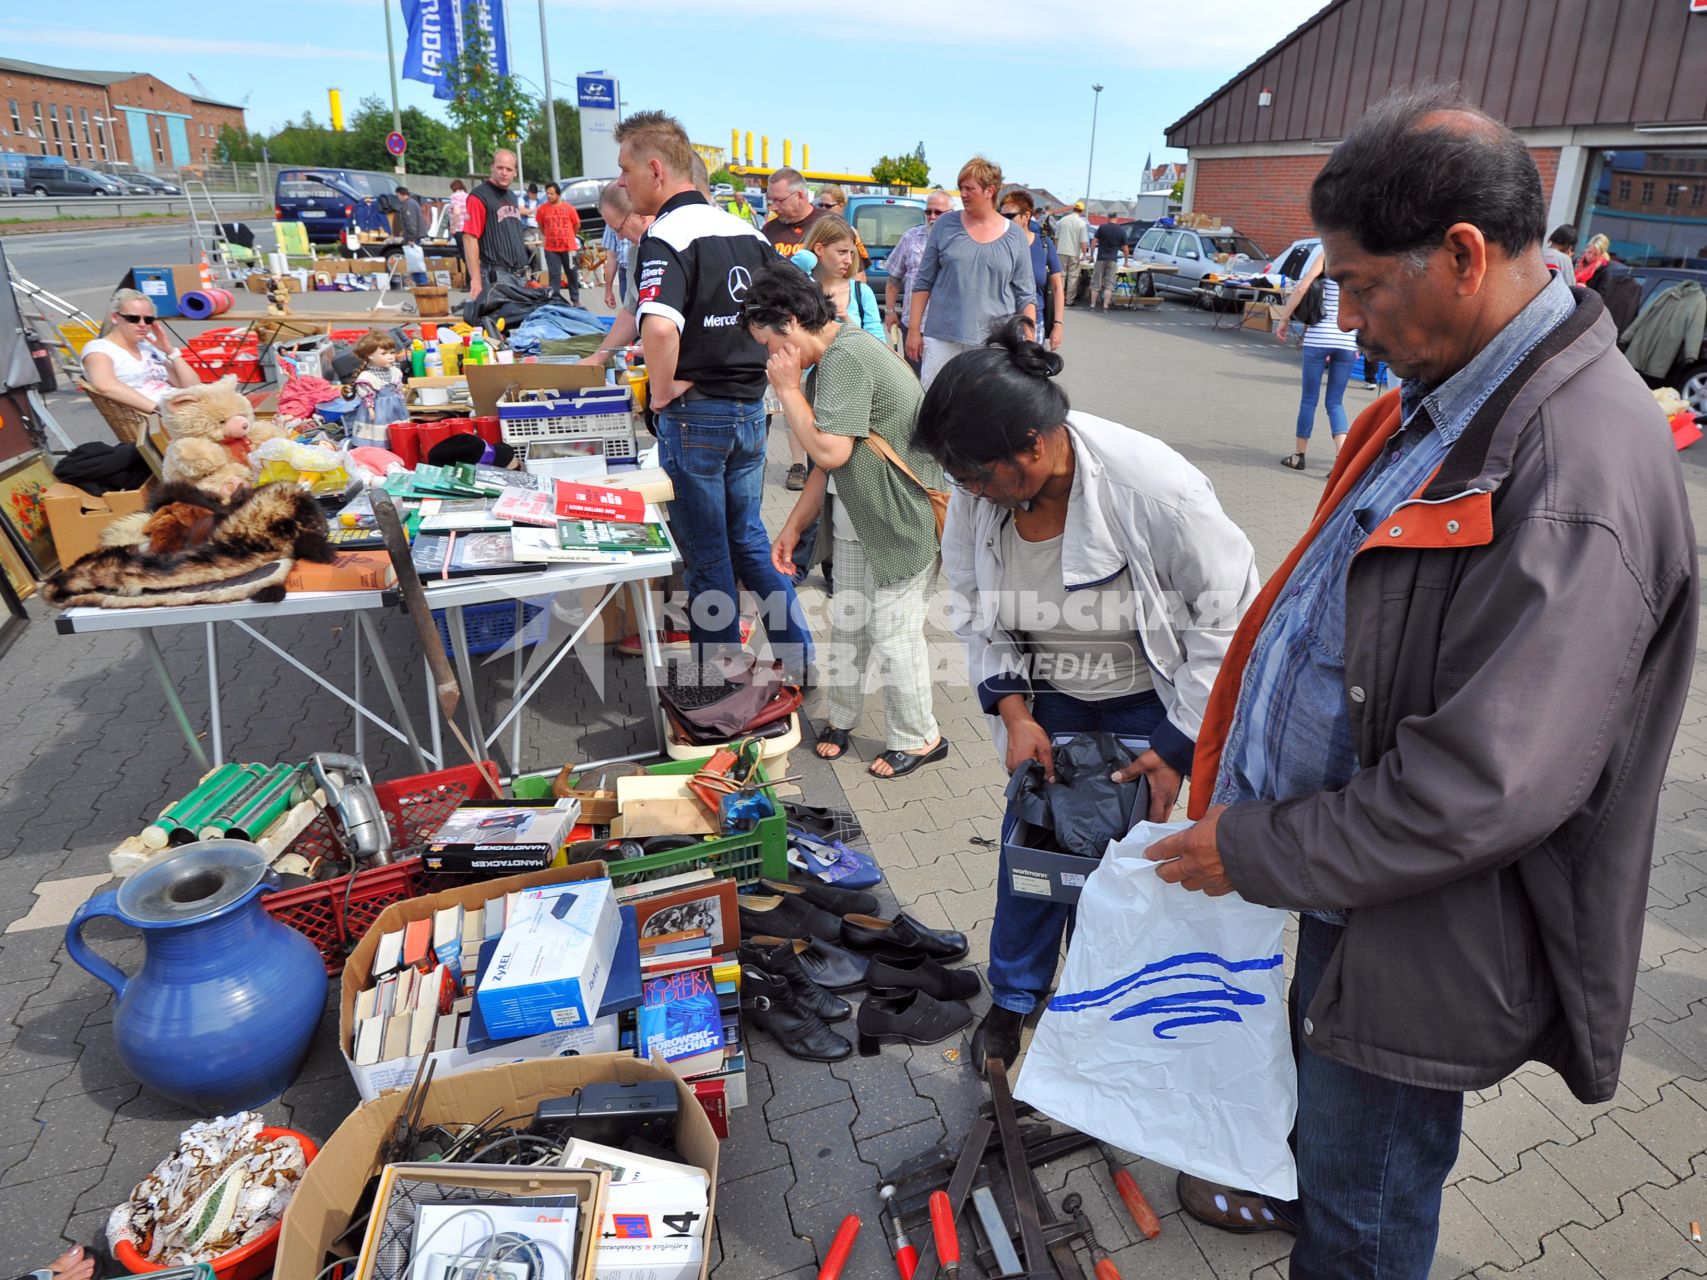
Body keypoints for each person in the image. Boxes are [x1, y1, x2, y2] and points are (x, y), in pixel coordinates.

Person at [1145, 86, 1697, 1278]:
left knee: (1371, 1204)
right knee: (1336, 1155)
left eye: (1356, 284)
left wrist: (1261, 847)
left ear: (1460, 256)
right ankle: (1308, 1199)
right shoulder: (1465, 394)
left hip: (1415, 922)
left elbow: (1486, 784)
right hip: (1347, 877)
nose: (1338, 316)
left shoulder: (1568, 466)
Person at [918, 316, 1259, 1074]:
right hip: (1053, 697)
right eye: (959, 479)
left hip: (1155, 698)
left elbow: (1228, 623)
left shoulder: (1156, 489)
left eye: (976, 477)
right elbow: (971, 603)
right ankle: (1013, 1003)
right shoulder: (981, 491)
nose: (966, 493)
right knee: (1033, 855)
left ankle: (1115, 1011)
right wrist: (1013, 712)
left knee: (1134, 870)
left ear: (1032, 446)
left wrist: (1174, 749)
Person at [618, 109, 811, 676]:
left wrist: (660, 392)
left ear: (656, 169)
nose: (623, 182)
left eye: (626, 169)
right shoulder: (747, 232)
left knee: (708, 556)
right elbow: (805, 308)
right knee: (748, 539)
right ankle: (801, 660)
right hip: (751, 412)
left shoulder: (667, 235)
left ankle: (723, 685)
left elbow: (656, 326)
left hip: (699, 415)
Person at [744, 263, 948, 779]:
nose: (769, 357)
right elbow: (823, 462)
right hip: (861, 518)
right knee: (851, 623)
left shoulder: (845, 359)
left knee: (894, 632)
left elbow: (830, 451)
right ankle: (842, 717)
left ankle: (920, 737)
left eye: (769, 344)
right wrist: (792, 527)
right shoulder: (833, 358)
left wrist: (787, 390)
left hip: (902, 519)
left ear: (790, 322)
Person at [905, 156, 1035, 387]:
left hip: (993, 342)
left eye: (969, 188)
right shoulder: (944, 225)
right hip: (942, 338)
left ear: (989, 190)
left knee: (983, 410)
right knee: (935, 403)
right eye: (961, 188)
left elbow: (1026, 294)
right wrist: (914, 330)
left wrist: (1029, 340)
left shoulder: (1015, 236)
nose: (963, 194)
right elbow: (923, 282)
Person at [1273, 243, 1359, 470]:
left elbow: (1302, 288)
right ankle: (1341, 460)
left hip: (1319, 338)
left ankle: (1298, 456)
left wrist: (1284, 319)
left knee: (1309, 400)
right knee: (1335, 402)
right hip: (1346, 340)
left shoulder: (1329, 253)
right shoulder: (1362, 259)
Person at [80, 287, 200, 411]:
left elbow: (193, 387)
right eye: (133, 319)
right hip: (157, 414)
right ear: (115, 318)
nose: (142, 324)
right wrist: (158, 410)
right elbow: (105, 385)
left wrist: (171, 351)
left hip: (182, 407)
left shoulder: (147, 346)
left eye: (148, 320)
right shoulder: (100, 348)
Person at [578, 181, 653, 366]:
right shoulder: (636, 252)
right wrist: (598, 358)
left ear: (639, 214)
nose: (619, 237)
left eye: (619, 229)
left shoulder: (678, 242)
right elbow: (631, 312)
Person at [884, 191, 953, 373]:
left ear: (951, 213)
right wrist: (890, 311)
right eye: (928, 212)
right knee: (914, 380)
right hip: (913, 325)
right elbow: (894, 279)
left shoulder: (957, 241)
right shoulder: (910, 237)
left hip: (943, 328)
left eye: (938, 213)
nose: (932, 217)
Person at [799, 216, 886, 340]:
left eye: (851, 253)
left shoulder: (861, 292)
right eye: (842, 252)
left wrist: (848, 323)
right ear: (819, 249)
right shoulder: (798, 290)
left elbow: (879, 346)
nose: (849, 261)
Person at [999, 188, 1064, 351]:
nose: (1004, 220)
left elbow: (1057, 288)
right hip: (1000, 324)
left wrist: (1058, 324)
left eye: (1009, 216)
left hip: (1034, 324)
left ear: (1026, 216)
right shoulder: (997, 245)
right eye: (1001, 216)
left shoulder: (1044, 244)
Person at [461, 150, 529, 301]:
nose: (504, 173)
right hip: (496, 276)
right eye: (500, 168)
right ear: (492, 167)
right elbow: (469, 238)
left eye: (509, 169)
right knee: (499, 322)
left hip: (519, 274)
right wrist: (476, 279)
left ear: (515, 173)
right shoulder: (479, 196)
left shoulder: (511, 196)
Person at [350, 332, 408, 449]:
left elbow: (398, 389)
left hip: (395, 406)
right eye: (384, 353)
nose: (390, 356)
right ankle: (379, 448)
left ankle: (397, 445)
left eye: (392, 352)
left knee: (397, 429)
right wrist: (370, 409)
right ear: (370, 355)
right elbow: (367, 396)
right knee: (379, 431)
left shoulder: (394, 371)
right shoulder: (367, 376)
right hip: (379, 408)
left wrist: (401, 400)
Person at [763, 167, 826, 261]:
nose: (773, 208)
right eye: (771, 200)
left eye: (779, 200)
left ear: (799, 196)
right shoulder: (768, 230)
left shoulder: (829, 224)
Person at [537, 181, 583, 305]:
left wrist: (570, 236)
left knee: (572, 273)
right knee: (554, 276)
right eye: (547, 194)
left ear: (558, 194)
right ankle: (555, 301)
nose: (549, 196)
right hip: (551, 249)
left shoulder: (569, 208)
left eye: (551, 194)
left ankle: (575, 299)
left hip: (570, 248)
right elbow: (540, 225)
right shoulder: (542, 209)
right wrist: (548, 235)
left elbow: (577, 224)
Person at [811, 185, 871, 274]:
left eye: (828, 206)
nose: (823, 209)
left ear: (841, 206)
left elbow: (860, 271)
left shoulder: (850, 233)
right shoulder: (814, 229)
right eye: (820, 205)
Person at [1088, 216, 1128, 310]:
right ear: (1117, 218)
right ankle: (1105, 307)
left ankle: (1092, 306)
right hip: (1112, 259)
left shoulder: (1102, 227)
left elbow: (1094, 241)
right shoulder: (1121, 230)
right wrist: (1126, 261)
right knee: (1109, 284)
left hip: (1101, 258)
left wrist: (1091, 255)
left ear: (1108, 218)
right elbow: (1125, 248)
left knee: (1096, 282)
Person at [1054, 200, 1090, 307]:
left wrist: (1056, 250)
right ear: (1082, 211)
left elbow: (1056, 238)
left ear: (1073, 209)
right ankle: (1069, 300)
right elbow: (1083, 241)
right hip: (1074, 252)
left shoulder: (1062, 221)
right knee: (1073, 277)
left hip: (1061, 251)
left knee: (1061, 276)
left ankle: (1058, 298)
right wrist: (1084, 254)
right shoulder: (1082, 223)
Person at [394, 186, 429, 285]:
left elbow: (411, 223)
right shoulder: (412, 203)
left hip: (413, 237)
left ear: (401, 194)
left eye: (398, 195)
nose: (398, 198)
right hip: (415, 235)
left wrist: (411, 238)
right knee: (415, 260)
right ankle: (419, 282)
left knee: (416, 260)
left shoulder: (408, 205)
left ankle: (422, 282)